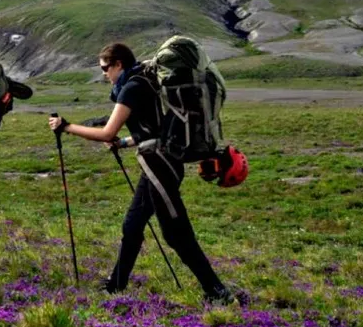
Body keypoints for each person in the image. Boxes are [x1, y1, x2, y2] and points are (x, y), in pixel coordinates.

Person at [48, 42, 232, 302]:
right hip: (160, 163)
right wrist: (125, 143)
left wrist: (66, 127)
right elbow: (152, 130)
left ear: (118, 64)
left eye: (105, 68)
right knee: (132, 225)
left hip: (159, 165)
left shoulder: (132, 87)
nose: (104, 74)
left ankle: (217, 291)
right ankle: (116, 286)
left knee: (176, 234)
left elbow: (106, 133)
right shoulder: (145, 80)